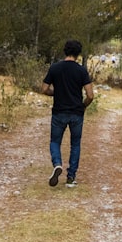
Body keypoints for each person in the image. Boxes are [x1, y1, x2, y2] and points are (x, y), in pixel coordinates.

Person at [42, 39, 94, 188]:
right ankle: (71, 178)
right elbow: (90, 95)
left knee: (55, 141)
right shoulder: (81, 70)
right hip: (76, 113)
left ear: (65, 51)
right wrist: (83, 106)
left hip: (59, 112)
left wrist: (56, 93)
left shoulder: (55, 68)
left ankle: (57, 164)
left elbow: (44, 89)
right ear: (78, 53)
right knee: (75, 144)